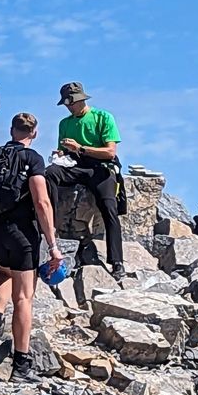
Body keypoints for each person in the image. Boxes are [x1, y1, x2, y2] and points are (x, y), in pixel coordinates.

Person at [0, 113, 62, 382]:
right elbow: (42, 203)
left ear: (11, 130)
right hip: (22, 235)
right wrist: (52, 245)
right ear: (34, 133)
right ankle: (22, 364)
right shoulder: (32, 159)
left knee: (4, 272)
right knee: (24, 297)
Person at [46, 81, 126, 282]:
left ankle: (117, 262)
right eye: (66, 104)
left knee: (109, 207)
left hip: (99, 167)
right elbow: (64, 151)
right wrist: (61, 153)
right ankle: (50, 221)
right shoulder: (64, 124)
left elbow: (110, 152)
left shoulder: (103, 117)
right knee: (49, 174)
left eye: (72, 102)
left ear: (82, 100)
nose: (69, 107)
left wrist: (80, 148)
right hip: (74, 165)